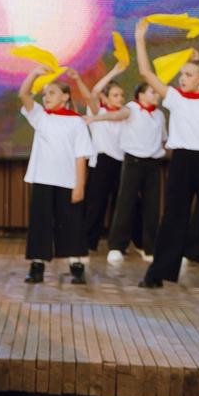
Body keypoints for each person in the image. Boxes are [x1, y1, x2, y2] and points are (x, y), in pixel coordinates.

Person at [135, 21, 199, 291]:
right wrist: (140, 38)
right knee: (173, 217)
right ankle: (157, 273)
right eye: (182, 74)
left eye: (189, 74)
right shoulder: (175, 98)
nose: (182, 78)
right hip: (182, 161)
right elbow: (146, 72)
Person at [19, 71, 95, 284]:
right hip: (43, 179)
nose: (47, 97)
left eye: (52, 93)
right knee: (39, 223)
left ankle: (76, 264)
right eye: (45, 94)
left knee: (72, 223)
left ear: (66, 97)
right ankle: (37, 265)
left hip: (68, 181)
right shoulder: (41, 117)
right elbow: (24, 94)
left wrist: (79, 185)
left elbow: (81, 156)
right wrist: (33, 74)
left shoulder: (77, 122)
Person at [104, 79, 167, 264]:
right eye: (152, 92)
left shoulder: (160, 115)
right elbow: (117, 115)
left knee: (152, 206)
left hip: (154, 163)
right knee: (125, 203)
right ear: (141, 94)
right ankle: (116, 246)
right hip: (133, 161)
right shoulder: (131, 108)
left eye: (157, 93)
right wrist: (95, 118)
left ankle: (150, 247)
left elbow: (163, 139)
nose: (157, 95)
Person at [83, 75, 130, 260]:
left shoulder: (126, 114)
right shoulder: (97, 112)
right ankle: (87, 243)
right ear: (106, 98)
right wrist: (115, 71)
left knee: (122, 205)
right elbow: (94, 92)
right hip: (102, 162)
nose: (120, 98)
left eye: (121, 95)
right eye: (115, 95)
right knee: (96, 204)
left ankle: (121, 244)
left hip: (122, 162)